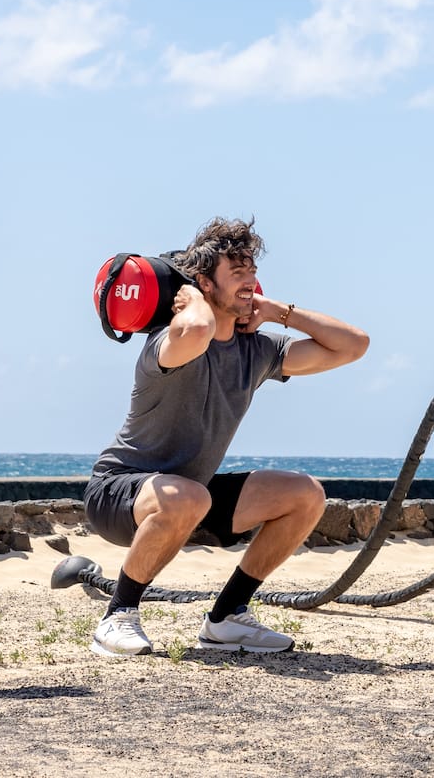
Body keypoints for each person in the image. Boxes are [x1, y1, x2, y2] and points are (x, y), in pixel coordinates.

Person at [83, 217, 368, 657]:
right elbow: (195, 331)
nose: (250, 281)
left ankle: (228, 617)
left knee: (304, 494)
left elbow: (353, 345)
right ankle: (118, 615)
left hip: (192, 495)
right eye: (237, 273)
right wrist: (193, 299)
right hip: (119, 492)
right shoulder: (169, 340)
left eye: (252, 271)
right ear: (202, 284)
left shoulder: (257, 351)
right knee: (188, 497)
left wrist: (278, 312)